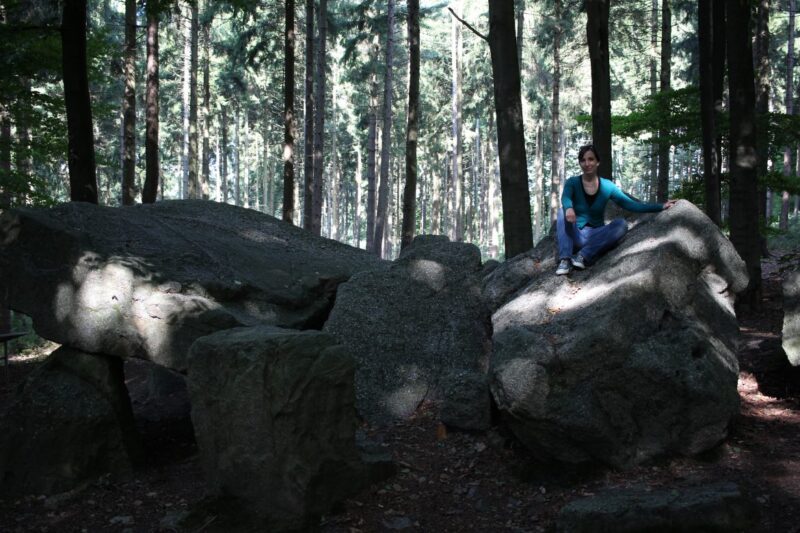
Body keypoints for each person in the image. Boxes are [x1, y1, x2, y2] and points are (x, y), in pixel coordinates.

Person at [555, 144, 677, 275]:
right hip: (576, 235)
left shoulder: (607, 186)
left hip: (596, 235)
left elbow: (631, 204)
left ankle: (583, 256)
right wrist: (568, 208)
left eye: (591, 159)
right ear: (580, 163)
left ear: (598, 162)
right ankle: (565, 260)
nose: (587, 163)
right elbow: (566, 197)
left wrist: (661, 206)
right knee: (562, 211)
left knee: (621, 224)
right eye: (583, 160)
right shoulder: (572, 182)